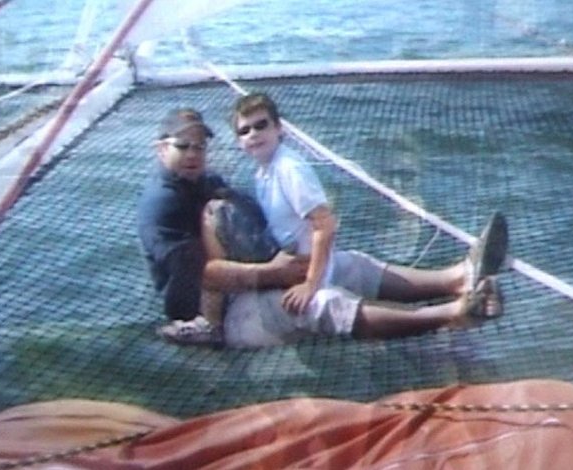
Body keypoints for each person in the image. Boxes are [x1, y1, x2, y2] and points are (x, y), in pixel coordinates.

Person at [163, 94, 509, 348]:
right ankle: (456, 284)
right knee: (351, 269)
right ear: (239, 142)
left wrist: (310, 283)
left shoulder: (288, 168)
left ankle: (454, 305)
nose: (253, 134)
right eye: (244, 130)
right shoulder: (262, 172)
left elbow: (325, 224)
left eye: (261, 125)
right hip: (287, 272)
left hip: (299, 273)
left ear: (279, 128)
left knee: (326, 296)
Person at [136, 108, 308, 329]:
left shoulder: (206, 181)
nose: (192, 154)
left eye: (199, 146)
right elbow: (198, 275)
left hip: (241, 279)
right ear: (161, 149)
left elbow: (253, 214)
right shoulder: (161, 204)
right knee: (217, 211)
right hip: (196, 309)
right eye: (183, 146)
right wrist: (276, 272)